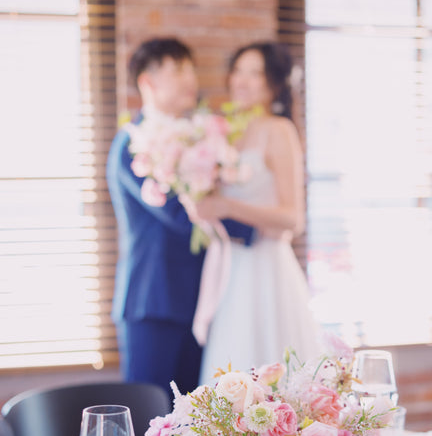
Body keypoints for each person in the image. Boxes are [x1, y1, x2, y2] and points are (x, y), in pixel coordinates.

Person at [107, 37, 254, 405]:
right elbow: (178, 214)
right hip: (153, 302)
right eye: (176, 70)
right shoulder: (133, 144)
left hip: (201, 300)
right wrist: (255, 230)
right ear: (148, 82)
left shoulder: (197, 137)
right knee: (150, 419)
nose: (190, 79)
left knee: (196, 420)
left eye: (190, 68)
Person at [184, 41, 319, 381]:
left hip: (268, 267)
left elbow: (293, 219)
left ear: (273, 83)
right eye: (239, 71)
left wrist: (227, 206)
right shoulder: (228, 130)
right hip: (232, 271)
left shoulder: (279, 130)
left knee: (274, 376)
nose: (242, 81)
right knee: (232, 373)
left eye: (255, 73)